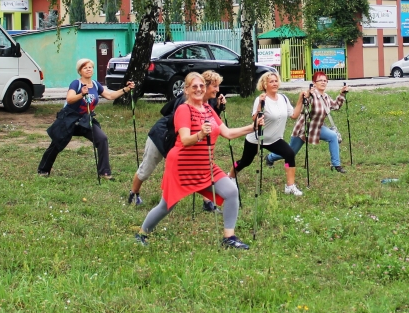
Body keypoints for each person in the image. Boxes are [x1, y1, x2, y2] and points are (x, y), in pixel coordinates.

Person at [135, 72, 260, 249]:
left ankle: (229, 238)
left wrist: (253, 127)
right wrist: (200, 134)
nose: (199, 89)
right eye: (194, 86)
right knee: (167, 205)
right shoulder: (183, 110)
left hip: (205, 166)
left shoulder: (208, 109)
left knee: (231, 191)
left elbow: (228, 133)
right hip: (182, 166)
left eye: (201, 86)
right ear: (186, 90)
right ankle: (142, 234)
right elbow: (185, 140)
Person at [127, 70, 226, 208]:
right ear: (206, 86)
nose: (217, 89)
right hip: (162, 135)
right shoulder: (186, 101)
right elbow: (178, 122)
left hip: (182, 140)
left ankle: (207, 201)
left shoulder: (210, 102)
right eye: (214, 86)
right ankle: (134, 193)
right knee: (146, 169)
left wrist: (219, 108)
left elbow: (212, 122)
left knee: (200, 167)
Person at [37, 59, 134, 179]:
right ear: (80, 71)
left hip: (85, 120)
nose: (88, 69)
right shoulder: (76, 84)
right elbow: (69, 99)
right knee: (57, 143)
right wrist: (81, 94)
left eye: (90, 67)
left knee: (102, 139)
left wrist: (126, 89)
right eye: (85, 68)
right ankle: (43, 170)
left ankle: (104, 172)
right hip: (69, 119)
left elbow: (109, 96)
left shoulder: (96, 84)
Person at [230, 71, 305, 195]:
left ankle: (290, 186)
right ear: (265, 85)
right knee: (245, 161)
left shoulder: (283, 98)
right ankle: (231, 176)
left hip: (274, 139)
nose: (275, 84)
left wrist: (300, 100)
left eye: (276, 81)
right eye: (271, 82)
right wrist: (260, 104)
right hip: (257, 138)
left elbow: (294, 115)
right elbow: (255, 119)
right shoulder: (261, 99)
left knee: (290, 154)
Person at [267, 71, 348, 173]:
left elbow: (336, 106)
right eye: (320, 80)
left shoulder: (326, 97)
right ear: (314, 83)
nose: (323, 82)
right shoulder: (311, 95)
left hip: (317, 128)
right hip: (303, 128)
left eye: (325, 80)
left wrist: (342, 94)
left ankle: (336, 165)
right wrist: (308, 95)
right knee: (291, 152)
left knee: (333, 136)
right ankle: (270, 158)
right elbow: (303, 106)